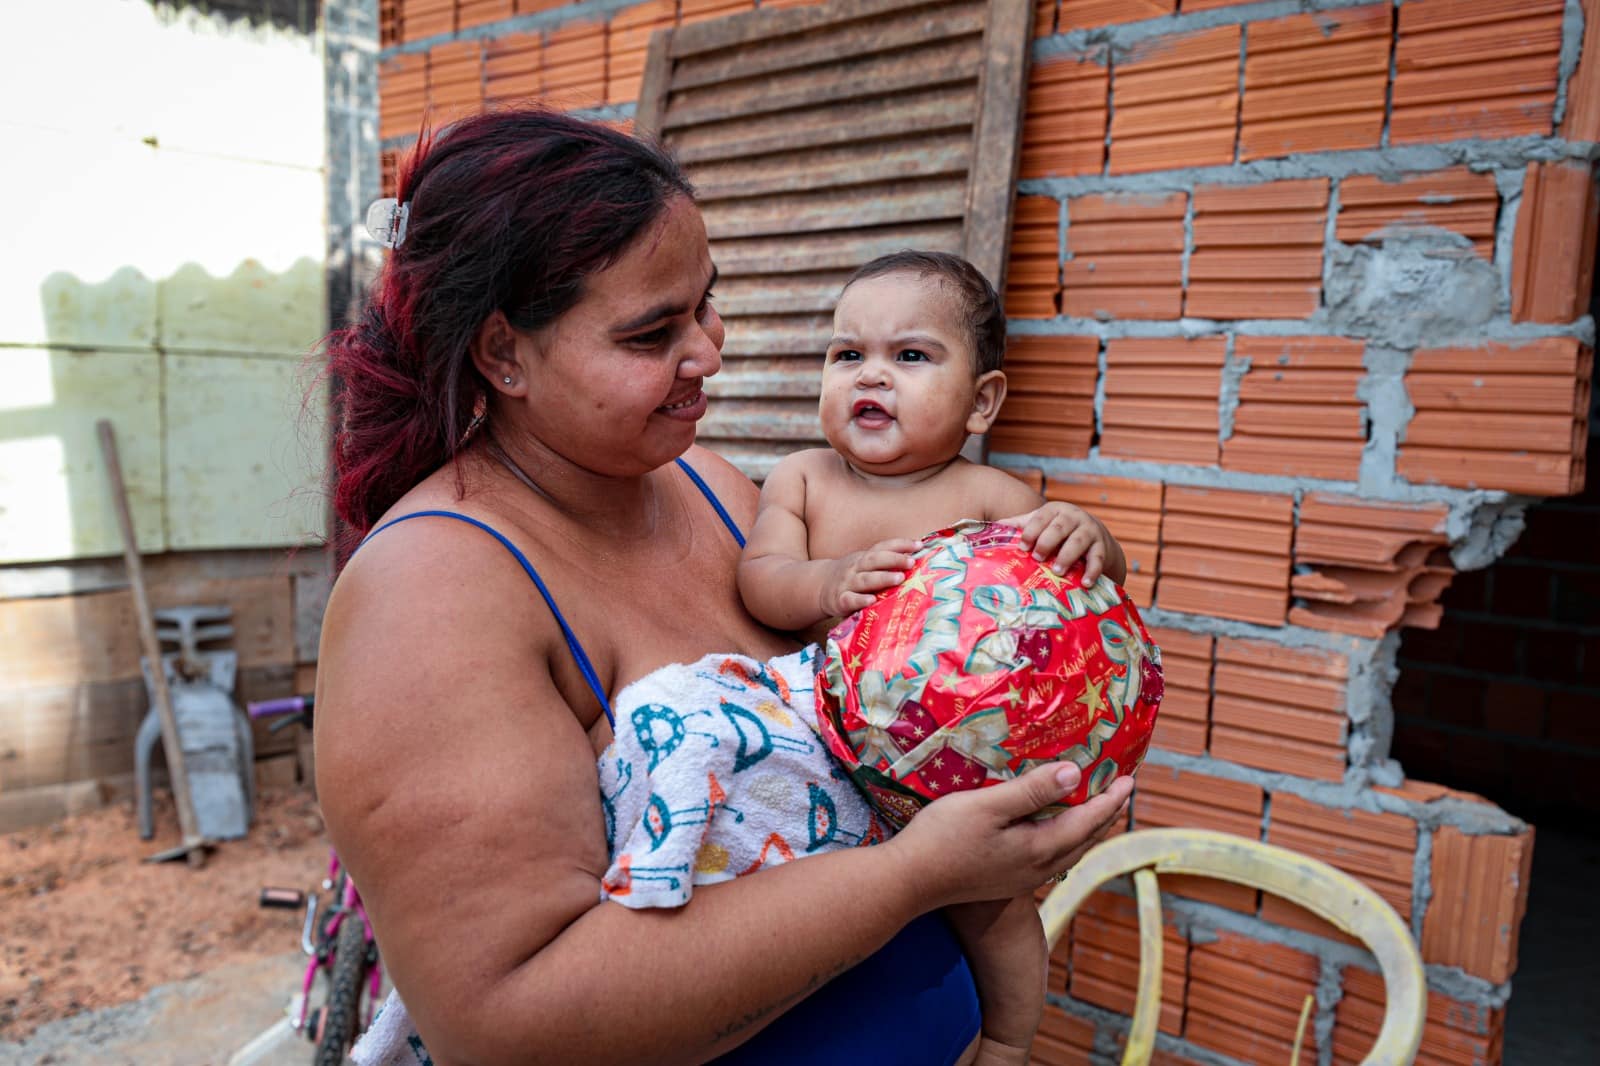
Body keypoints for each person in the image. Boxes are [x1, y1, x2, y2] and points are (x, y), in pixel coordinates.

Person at [315, 108, 1133, 1066]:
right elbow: (507, 1022)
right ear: (503, 355)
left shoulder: (702, 484)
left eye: (706, 303)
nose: (711, 350)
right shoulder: (433, 592)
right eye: (654, 332)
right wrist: (917, 876)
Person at [728, 250, 1130, 1061]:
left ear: (982, 403)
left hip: (951, 768)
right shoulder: (803, 480)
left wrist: (1094, 539)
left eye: (909, 356)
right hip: (825, 751)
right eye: (849, 355)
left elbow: (1087, 595)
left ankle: (1010, 1040)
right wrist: (826, 581)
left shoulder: (994, 501)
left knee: (997, 908)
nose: (871, 377)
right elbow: (759, 579)